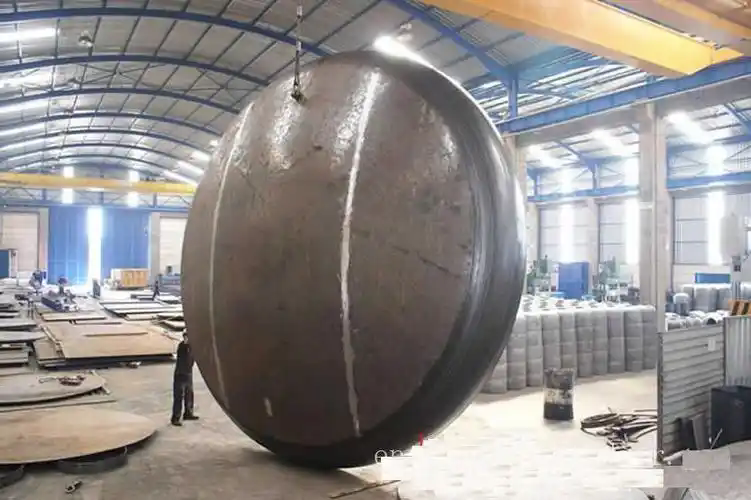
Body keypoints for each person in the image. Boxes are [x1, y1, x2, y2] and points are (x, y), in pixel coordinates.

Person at [171, 330, 199, 426]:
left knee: (189, 394)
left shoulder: (193, 347)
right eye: (186, 337)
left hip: (188, 374)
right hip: (180, 374)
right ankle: (175, 418)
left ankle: (188, 413)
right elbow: (186, 345)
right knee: (179, 397)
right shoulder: (182, 346)